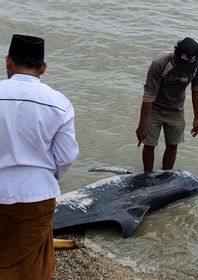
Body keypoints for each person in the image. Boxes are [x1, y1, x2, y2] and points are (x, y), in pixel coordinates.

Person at [0, 34, 79, 280]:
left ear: (8, 61)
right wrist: (46, 176)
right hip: (37, 196)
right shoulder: (59, 104)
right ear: (43, 67)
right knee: (32, 261)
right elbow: (66, 156)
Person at [135, 37, 198, 174]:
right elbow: (149, 97)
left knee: (173, 145)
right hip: (155, 107)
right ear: (175, 53)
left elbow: (197, 89)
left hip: (176, 109)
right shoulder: (159, 63)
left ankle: (166, 176)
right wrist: (142, 125)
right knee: (149, 144)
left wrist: (197, 118)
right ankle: (147, 175)